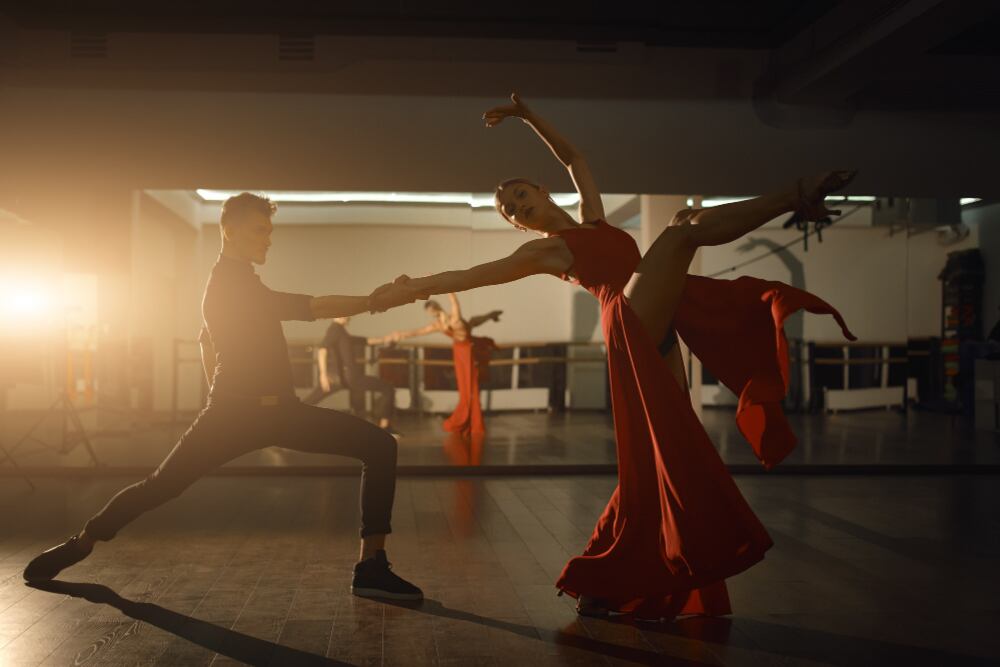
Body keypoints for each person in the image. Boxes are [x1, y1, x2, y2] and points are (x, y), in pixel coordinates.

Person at [370, 94, 855, 620]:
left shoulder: (593, 221)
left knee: (666, 452)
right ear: (516, 225)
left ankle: (608, 575)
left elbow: (575, 158)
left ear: (540, 189)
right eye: (509, 209)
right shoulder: (543, 250)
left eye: (520, 194)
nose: (516, 205)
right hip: (628, 320)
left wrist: (528, 116)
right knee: (682, 234)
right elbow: (471, 277)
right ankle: (796, 195)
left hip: (663, 321)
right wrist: (413, 287)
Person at [23, 193, 422, 601]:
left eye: (270, 232)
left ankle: (371, 566)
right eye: (259, 231)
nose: (268, 240)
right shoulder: (228, 284)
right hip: (233, 416)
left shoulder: (243, 280)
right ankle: (82, 542)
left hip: (282, 411)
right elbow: (309, 306)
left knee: (379, 446)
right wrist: (374, 301)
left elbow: (204, 342)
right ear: (229, 231)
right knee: (159, 487)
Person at [389, 294, 502, 434]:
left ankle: (472, 422)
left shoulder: (453, 319)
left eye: (431, 312)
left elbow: (454, 301)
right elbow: (419, 332)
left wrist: (442, 287)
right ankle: (469, 420)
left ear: (434, 309)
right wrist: (401, 334)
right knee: (466, 389)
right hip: (460, 353)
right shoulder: (440, 325)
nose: (431, 315)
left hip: (467, 352)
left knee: (471, 388)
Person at [303, 316, 399, 435]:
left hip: (338, 378)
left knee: (311, 401)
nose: (350, 317)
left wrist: (385, 339)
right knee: (387, 388)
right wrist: (322, 375)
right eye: (347, 314)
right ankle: (385, 428)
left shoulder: (341, 332)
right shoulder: (335, 330)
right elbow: (322, 350)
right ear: (338, 315)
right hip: (350, 378)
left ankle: (286, 420)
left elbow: (364, 341)